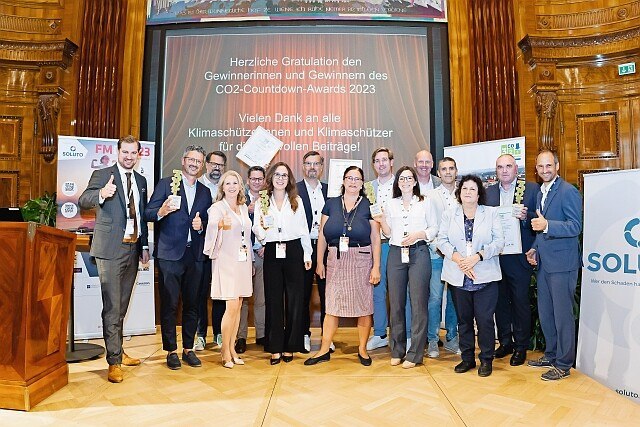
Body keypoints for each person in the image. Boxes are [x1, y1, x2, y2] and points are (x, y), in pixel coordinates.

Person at [78, 135, 149, 383]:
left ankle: (117, 349)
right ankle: (114, 362)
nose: (129, 157)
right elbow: (82, 200)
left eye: (133, 153)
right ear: (118, 152)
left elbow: (140, 216)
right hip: (109, 250)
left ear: (138, 155)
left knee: (122, 305)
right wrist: (101, 193)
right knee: (112, 305)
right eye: (125, 152)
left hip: (133, 248)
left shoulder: (141, 180)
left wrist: (145, 246)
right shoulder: (103, 174)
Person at [143, 145, 212, 370]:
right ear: (183, 161)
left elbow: (209, 222)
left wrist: (201, 226)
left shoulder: (205, 192)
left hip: (195, 256)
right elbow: (148, 213)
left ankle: (188, 348)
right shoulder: (166, 184)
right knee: (170, 304)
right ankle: (171, 350)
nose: (194, 164)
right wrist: (161, 211)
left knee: (193, 304)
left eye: (198, 161)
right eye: (191, 159)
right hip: (170, 254)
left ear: (202, 166)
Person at [305, 166, 381, 366]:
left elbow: (375, 238)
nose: (353, 182)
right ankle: (323, 350)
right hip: (335, 260)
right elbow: (322, 234)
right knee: (332, 306)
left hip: (362, 259)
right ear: (344, 180)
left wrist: (376, 267)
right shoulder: (330, 204)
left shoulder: (369, 204)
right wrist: (319, 261)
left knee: (364, 306)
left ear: (362, 183)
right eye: (350, 178)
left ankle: (362, 350)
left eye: (357, 179)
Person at [437, 174, 504, 377]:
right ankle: (467, 359)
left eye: (472, 189)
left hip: (484, 275)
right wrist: (459, 259)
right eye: (464, 188)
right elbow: (441, 240)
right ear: (459, 192)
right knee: (464, 320)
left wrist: (477, 257)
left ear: (479, 193)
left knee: (484, 320)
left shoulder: (491, 214)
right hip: (459, 275)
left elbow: (499, 242)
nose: (468, 192)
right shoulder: (450, 214)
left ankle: (486, 359)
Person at [526, 150, 582, 381]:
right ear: (536, 169)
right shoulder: (541, 192)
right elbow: (540, 229)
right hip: (544, 264)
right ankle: (551, 354)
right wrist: (534, 249)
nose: (545, 170)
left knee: (562, 316)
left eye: (549, 165)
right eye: (541, 166)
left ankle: (564, 363)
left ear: (557, 166)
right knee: (546, 314)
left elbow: (574, 227)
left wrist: (547, 224)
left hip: (563, 265)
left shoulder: (568, 191)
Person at [374, 166, 438, 368]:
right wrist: (382, 221)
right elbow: (387, 233)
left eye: (410, 178)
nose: (406, 181)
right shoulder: (390, 204)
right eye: (402, 178)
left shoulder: (425, 202)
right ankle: (397, 350)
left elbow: (434, 228)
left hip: (419, 252)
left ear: (415, 181)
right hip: (395, 253)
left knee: (418, 304)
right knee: (396, 303)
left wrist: (418, 234)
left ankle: (415, 354)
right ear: (397, 182)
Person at [252, 162, 312, 364]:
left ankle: (291, 346)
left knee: (295, 300)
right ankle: (275, 347)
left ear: (289, 179)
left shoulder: (296, 200)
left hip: (294, 250)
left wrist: (307, 255)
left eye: (284, 175)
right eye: (277, 174)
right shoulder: (263, 200)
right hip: (271, 250)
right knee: (274, 299)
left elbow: (304, 229)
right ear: (271, 178)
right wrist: (261, 229)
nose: (280, 178)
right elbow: (257, 230)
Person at [485, 154, 539, 366]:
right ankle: (505, 341)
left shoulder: (531, 190)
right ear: (496, 170)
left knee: (520, 302)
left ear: (516, 169)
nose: (504, 170)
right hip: (496, 257)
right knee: (500, 302)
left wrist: (528, 216)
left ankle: (521, 346)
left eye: (508, 166)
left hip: (520, 256)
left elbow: (540, 217)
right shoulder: (488, 193)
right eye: (500, 167)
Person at [203, 170, 253, 368]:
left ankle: (232, 348)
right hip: (226, 262)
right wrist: (220, 225)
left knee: (239, 305)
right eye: (227, 183)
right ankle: (224, 351)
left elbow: (248, 233)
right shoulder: (217, 208)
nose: (232, 187)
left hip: (242, 261)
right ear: (222, 187)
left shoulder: (242, 208)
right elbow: (211, 229)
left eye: (235, 183)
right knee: (231, 306)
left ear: (240, 186)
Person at [425, 157, 460, 357]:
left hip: (457, 256)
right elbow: (428, 224)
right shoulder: (429, 196)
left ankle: (451, 337)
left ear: (456, 171)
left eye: (451, 168)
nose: (447, 172)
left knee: (455, 299)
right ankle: (432, 339)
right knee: (435, 298)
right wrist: (437, 246)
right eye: (444, 169)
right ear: (438, 173)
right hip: (436, 254)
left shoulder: (464, 193)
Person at [296, 151, 329, 353]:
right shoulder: (295, 190)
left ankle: (327, 336)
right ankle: (304, 334)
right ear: (303, 166)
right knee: (302, 294)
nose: (312, 167)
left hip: (326, 247)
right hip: (303, 247)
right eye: (308, 163)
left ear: (322, 166)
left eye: (316, 164)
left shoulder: (331, 190)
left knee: (328, 295)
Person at [195, 151, 227, 351]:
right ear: (206, 165)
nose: (217, 168)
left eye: (220, 165)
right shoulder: (197, 187)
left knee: (220, 293)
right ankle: (200, 334)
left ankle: (219, 333)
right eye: (213, 164)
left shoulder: (227, 188)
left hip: (223, 250)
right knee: (199, 293)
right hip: (200, 249)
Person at [364, 147, 395, 351]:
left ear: (391, 162)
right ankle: (380, 333)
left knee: (401, 291)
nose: (381, 163)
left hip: (399, 245)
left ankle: (403, 334)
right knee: (377, 290)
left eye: (385, 160)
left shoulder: (402, 183)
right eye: (377, 160)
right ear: (373, 165)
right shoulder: (368, 188)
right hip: (377, 245)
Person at [236, 166, 267, 353]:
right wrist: (247, 211)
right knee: (243, 298)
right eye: (253, 179)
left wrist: (265, 246)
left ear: (264, 181)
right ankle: (241, 337)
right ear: (248, 180)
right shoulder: (239, 199)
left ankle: (261, 334)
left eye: (260, 179)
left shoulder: (269, 199)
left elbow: (274, 224)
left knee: (261, 297)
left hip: (262, 253)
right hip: (243, 255)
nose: (256, 182)